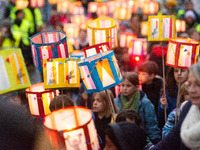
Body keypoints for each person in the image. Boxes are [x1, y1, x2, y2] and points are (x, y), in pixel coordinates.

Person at [148, 62, 200, 150]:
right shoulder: (188, 107)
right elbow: (171, 140)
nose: (191, 90)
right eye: (189, 84)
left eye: (198, 85)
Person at [114, 72, 161, 144]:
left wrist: (155, 141)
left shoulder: (145, 103)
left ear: (136, 87)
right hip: (122, 139)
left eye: (128, 86)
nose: (124, 88)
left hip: (141, 139)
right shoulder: (116, 102)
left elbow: (152, 125)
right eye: (122, 85)